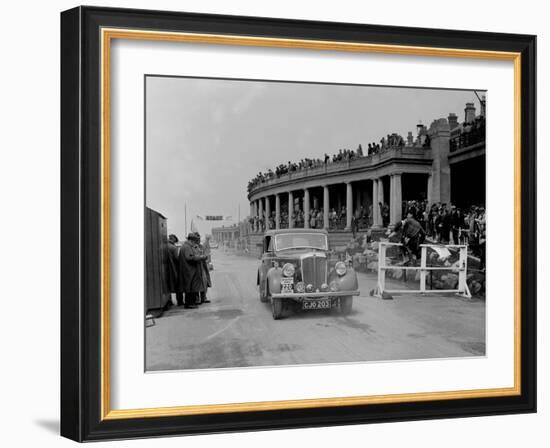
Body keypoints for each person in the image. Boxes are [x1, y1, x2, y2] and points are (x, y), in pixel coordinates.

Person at [178, 233, 208, 309]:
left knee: (190, 287)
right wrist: (201, 257)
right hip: (189, 271)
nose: (195, 243)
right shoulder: (187, 247)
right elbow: (189, 258)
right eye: (194, 241)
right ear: (191, 240)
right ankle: (189, 303)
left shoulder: (185, 246)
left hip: (188, 270)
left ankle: (190, 303)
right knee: (190, 287)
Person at [166, 234, 184, 306]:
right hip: (174, 268)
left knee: (167, 286)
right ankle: (180, 301)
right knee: (179, 285)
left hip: (167, 268)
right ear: (173, 239)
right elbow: (177, 259)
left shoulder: (165, 246)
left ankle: (169, 301)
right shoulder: (174, 248)